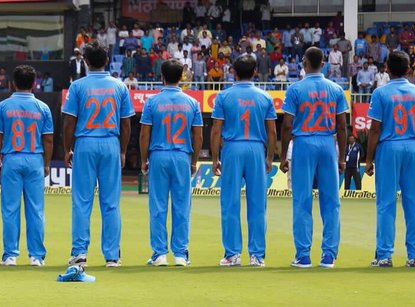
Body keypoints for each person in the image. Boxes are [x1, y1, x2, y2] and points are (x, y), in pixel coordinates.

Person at [63, 42, 133, 268]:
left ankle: (79, 253)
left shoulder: (77, 86)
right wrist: (122, 150)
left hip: (85, 142)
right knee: (111, 202)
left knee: (82, 201)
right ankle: (112, 256)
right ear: (107, 61)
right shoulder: (119, 86)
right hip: (110, 142)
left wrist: (67, 148)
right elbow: (126, 124)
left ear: (85, 61)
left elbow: (69, 122)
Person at [279, 47, 350, 269]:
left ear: (305, 63)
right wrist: (341, 157)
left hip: (304, 144)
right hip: (328, 144)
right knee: (331, 202)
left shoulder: (295, 89)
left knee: (302, 200)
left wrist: (282, 155)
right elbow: (342, 126)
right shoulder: (336, 89)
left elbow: (288, 125)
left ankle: (303, 256)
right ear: (323, 63)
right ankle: (328, 255)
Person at [363, 51, 415, 268]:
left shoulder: (380, 93)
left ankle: (384, 255)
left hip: (388, 147)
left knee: (386, 203)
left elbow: (375, 129)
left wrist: (369, 159)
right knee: (414, 204)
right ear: (409, 69)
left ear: (386, 68)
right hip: (412, 146)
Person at [211, 54, 277, 267]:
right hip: (256, 147)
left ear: (233, 72)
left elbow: (215, 131)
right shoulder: (264, 97)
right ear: (255, 72)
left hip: (232, 148)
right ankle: (257, 255)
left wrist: (214, 159)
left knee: (229, 202)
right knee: (258, 203)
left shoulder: (223, 96)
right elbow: (272, 131)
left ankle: (232, 254)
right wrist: (269, 157)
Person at [138, 59, 202, 267]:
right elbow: (198, 136)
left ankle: (159, 254)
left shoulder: (152, 102)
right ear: (182, 77)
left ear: (162, 77)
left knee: (158, 205)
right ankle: (181, 254)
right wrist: (194, 161)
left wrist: (143, 159)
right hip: (182, 156)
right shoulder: (192, 103)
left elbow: (144, 133)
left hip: (159, 155)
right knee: (182, 206)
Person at [0, 65, 53, 267]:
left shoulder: (3, 106)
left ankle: (10, 255)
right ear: (34, 84)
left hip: (11, 159)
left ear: (13, 83)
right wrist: (47, 164)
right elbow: (49, 140)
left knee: (10, 209)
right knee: (36, 210)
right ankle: (36, 256)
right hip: (34, 158)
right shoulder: (43, 108)